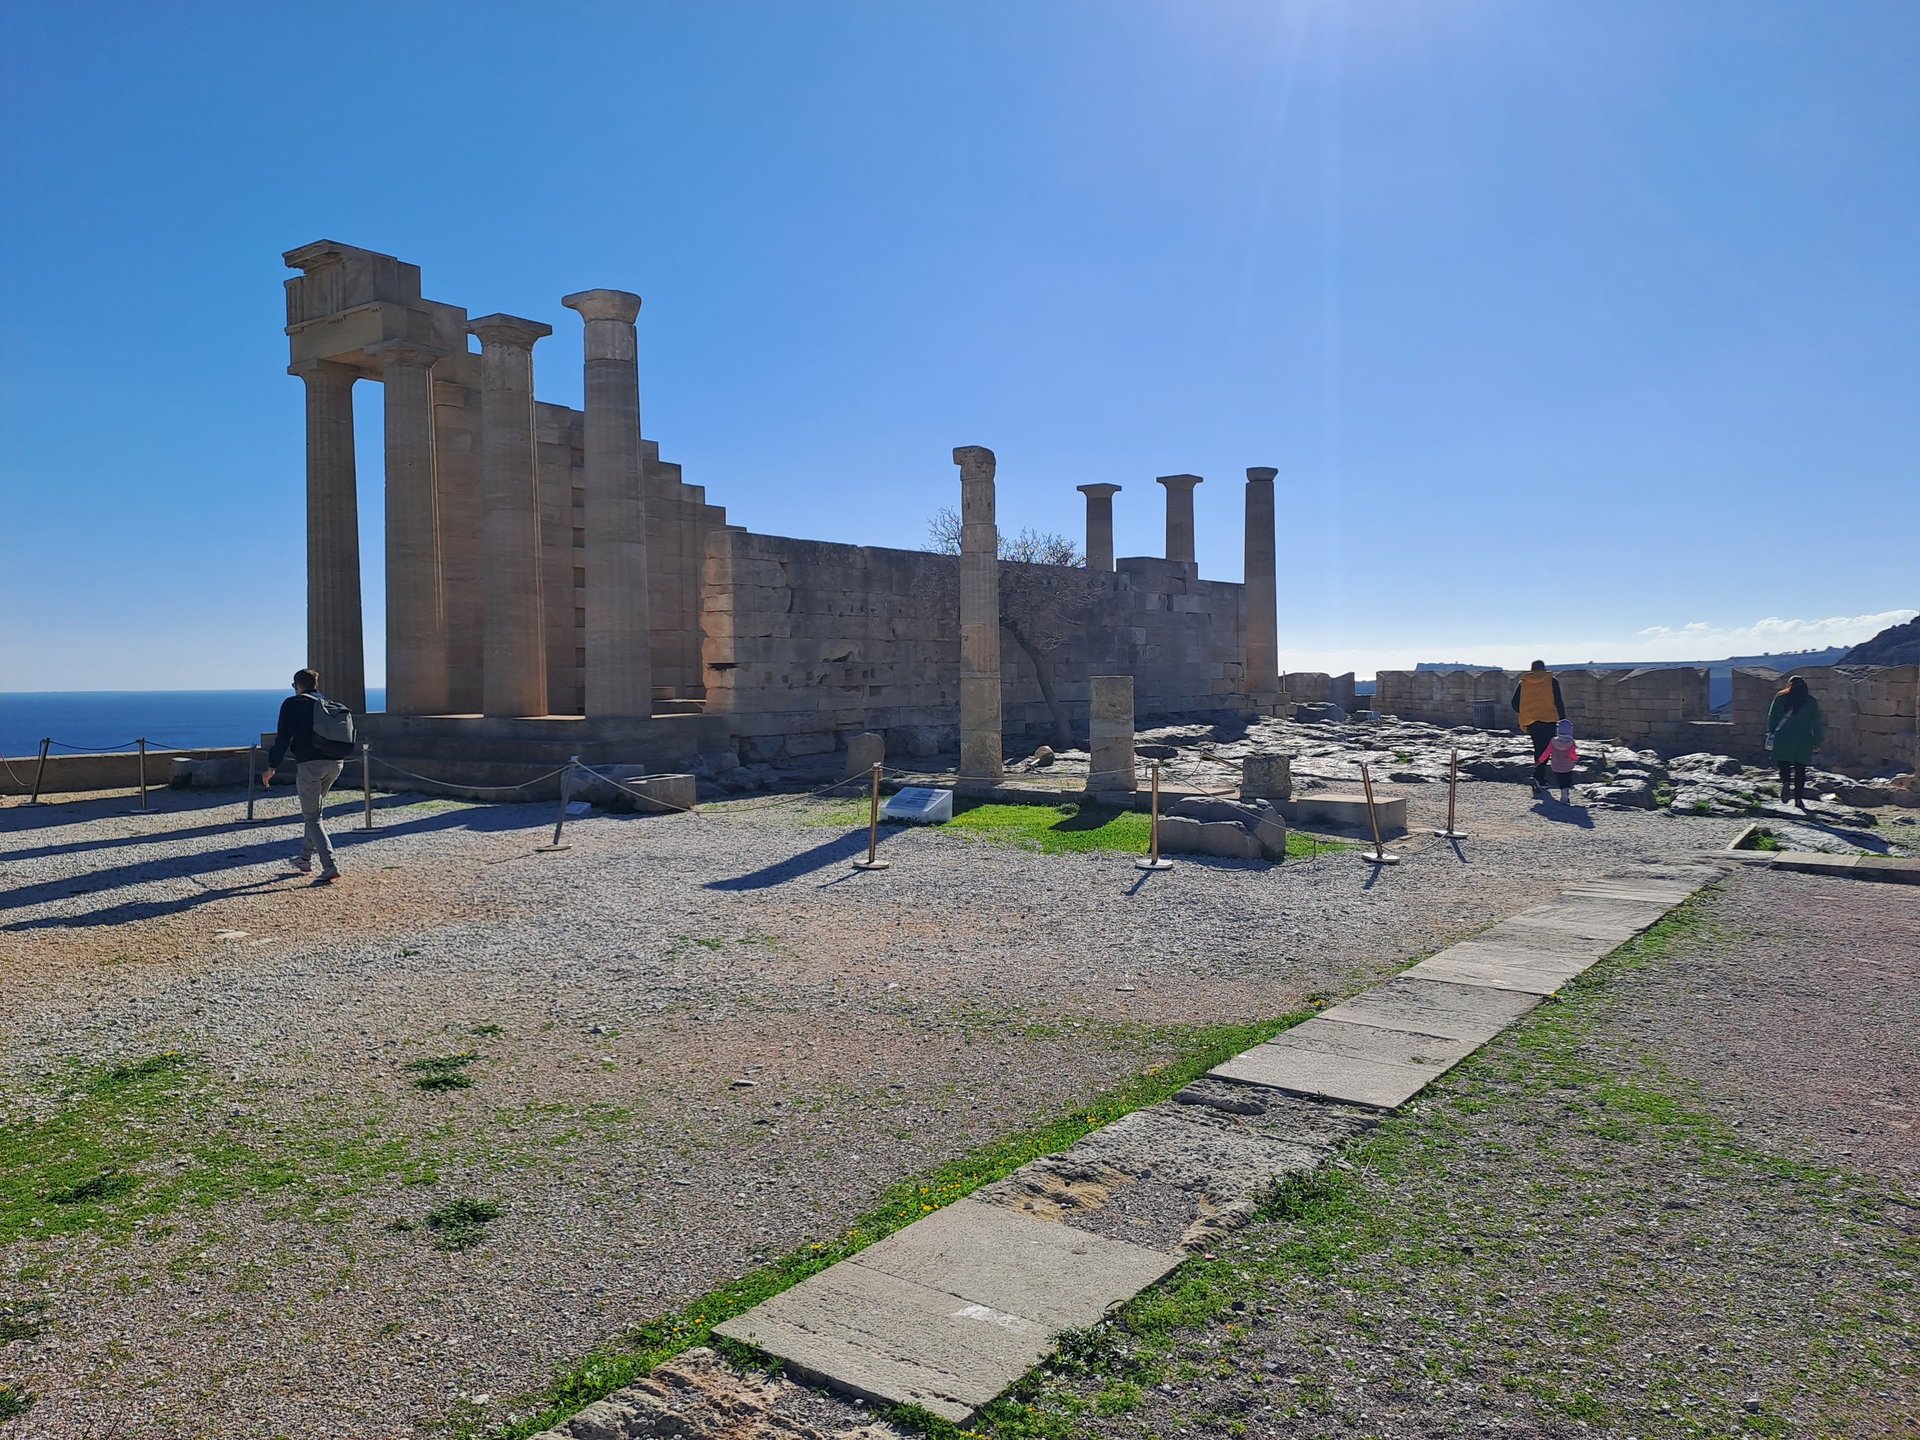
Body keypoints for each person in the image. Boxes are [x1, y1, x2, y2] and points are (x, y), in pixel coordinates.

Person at [263, 668, 347, 883]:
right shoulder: (328, 703)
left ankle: (330, 866)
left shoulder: (293, 703)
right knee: (315, 813)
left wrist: (272, 766)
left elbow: (283, 738)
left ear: (298, 685)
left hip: (310, 765)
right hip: (336, 763)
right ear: (315, 684)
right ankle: (304, 859)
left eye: (294, 686)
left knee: (312, 816)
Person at [1766, 675, 1824, 810]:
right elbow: (1816, 722)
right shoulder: (1810, 701)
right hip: (1803, 740)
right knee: (1800, 770)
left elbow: (1772, 716)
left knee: (1783, 763)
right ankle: (1798, 799)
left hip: (1783, 737)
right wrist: (1816, 740)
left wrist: (1770, 731)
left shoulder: (1780, 698)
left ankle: (1785, 781)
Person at [1511, 660, 1567, 797]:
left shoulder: (1524, 683)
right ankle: (1539, 777)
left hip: (1531, 721)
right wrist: (1563, 719)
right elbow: (1558, 701)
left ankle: (1539, 777)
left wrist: (1526, 712)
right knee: (1546, 749)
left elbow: (1514, 703)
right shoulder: (1552, 681)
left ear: (1532, 669)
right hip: (1549, 719)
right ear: (1544, 668)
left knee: (1539, 748)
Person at [1539, 718, 1579, 803]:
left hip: (1556, 765)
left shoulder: (1553, 741)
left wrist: (1540, 760)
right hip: (1568, 765)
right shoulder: (1571, 742)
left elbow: (1547, 752)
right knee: (1567, 778)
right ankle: (1566, 791)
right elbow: (1572, 754)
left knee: (1560, 779)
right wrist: (1575, 758)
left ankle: (1563, 791)